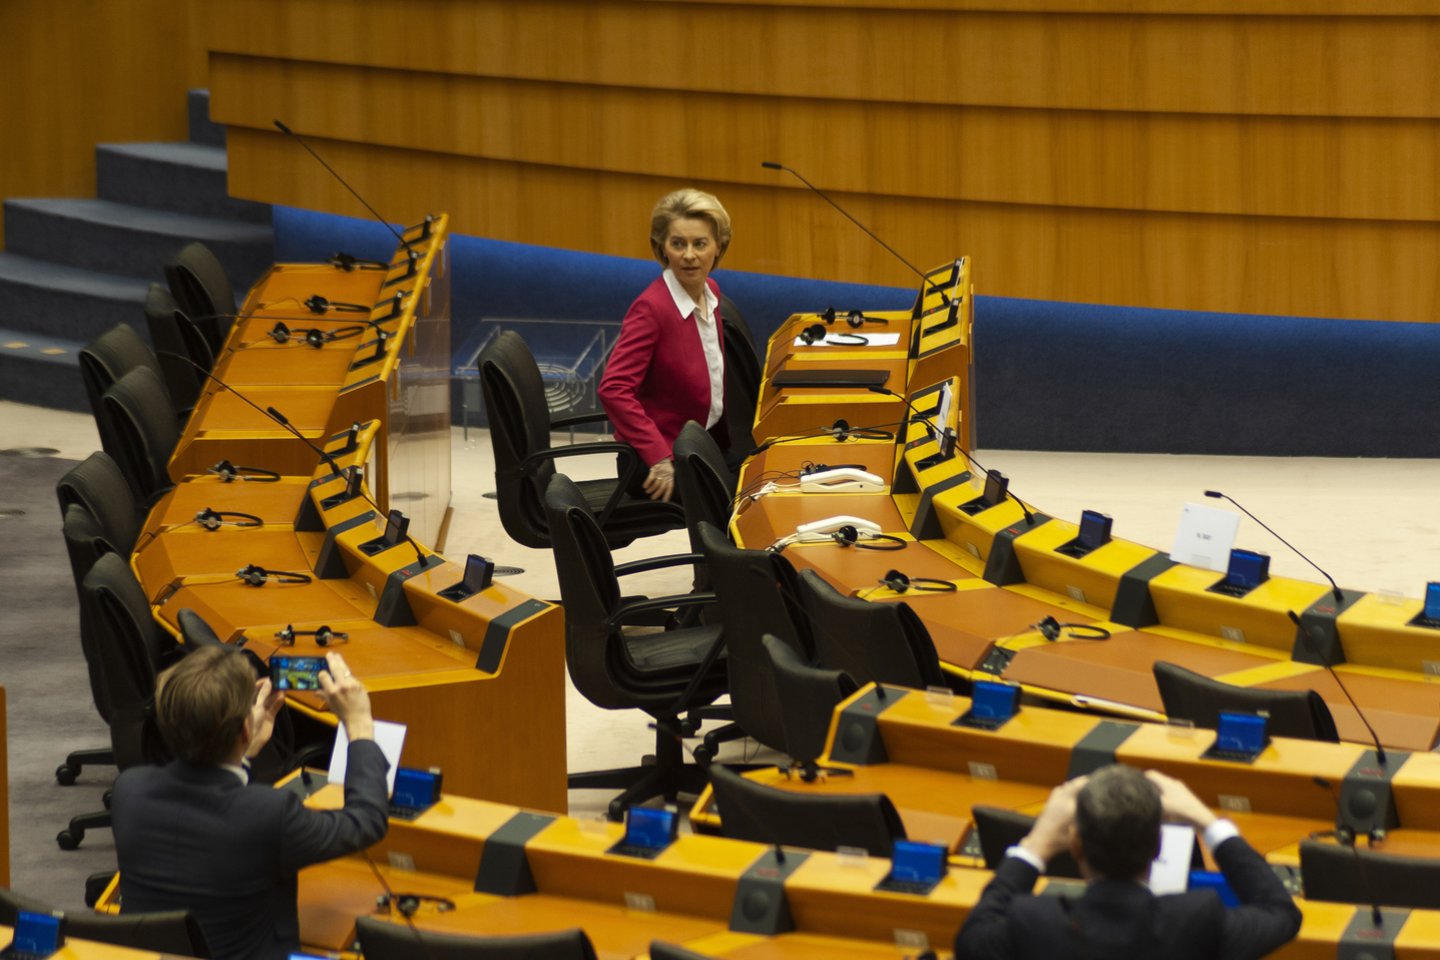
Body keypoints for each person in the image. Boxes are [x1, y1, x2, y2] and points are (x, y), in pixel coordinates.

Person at [112, 647, 389, 960]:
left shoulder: (129, 792)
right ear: (246, 729)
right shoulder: (269, 813)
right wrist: (359, 724)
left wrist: (241, 751)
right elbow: (365, 821)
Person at [955, 765, 1301, 960]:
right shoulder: (1196, 920)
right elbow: (1280, 912)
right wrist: (1207, 822)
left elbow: (970, 939)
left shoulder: (1033, 922)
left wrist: (1036, 845)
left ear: (1075, 845)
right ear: (1158, 846)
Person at [599, 188, 732, 502]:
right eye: (678, 244)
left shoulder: (711, 291)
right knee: (740, 503)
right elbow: (613, 389)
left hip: (700, 443)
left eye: (700, 244)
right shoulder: (652, 309)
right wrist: (659, 458)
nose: (689, 255)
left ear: (719, 246)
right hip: (657, 462)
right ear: (662, 247)